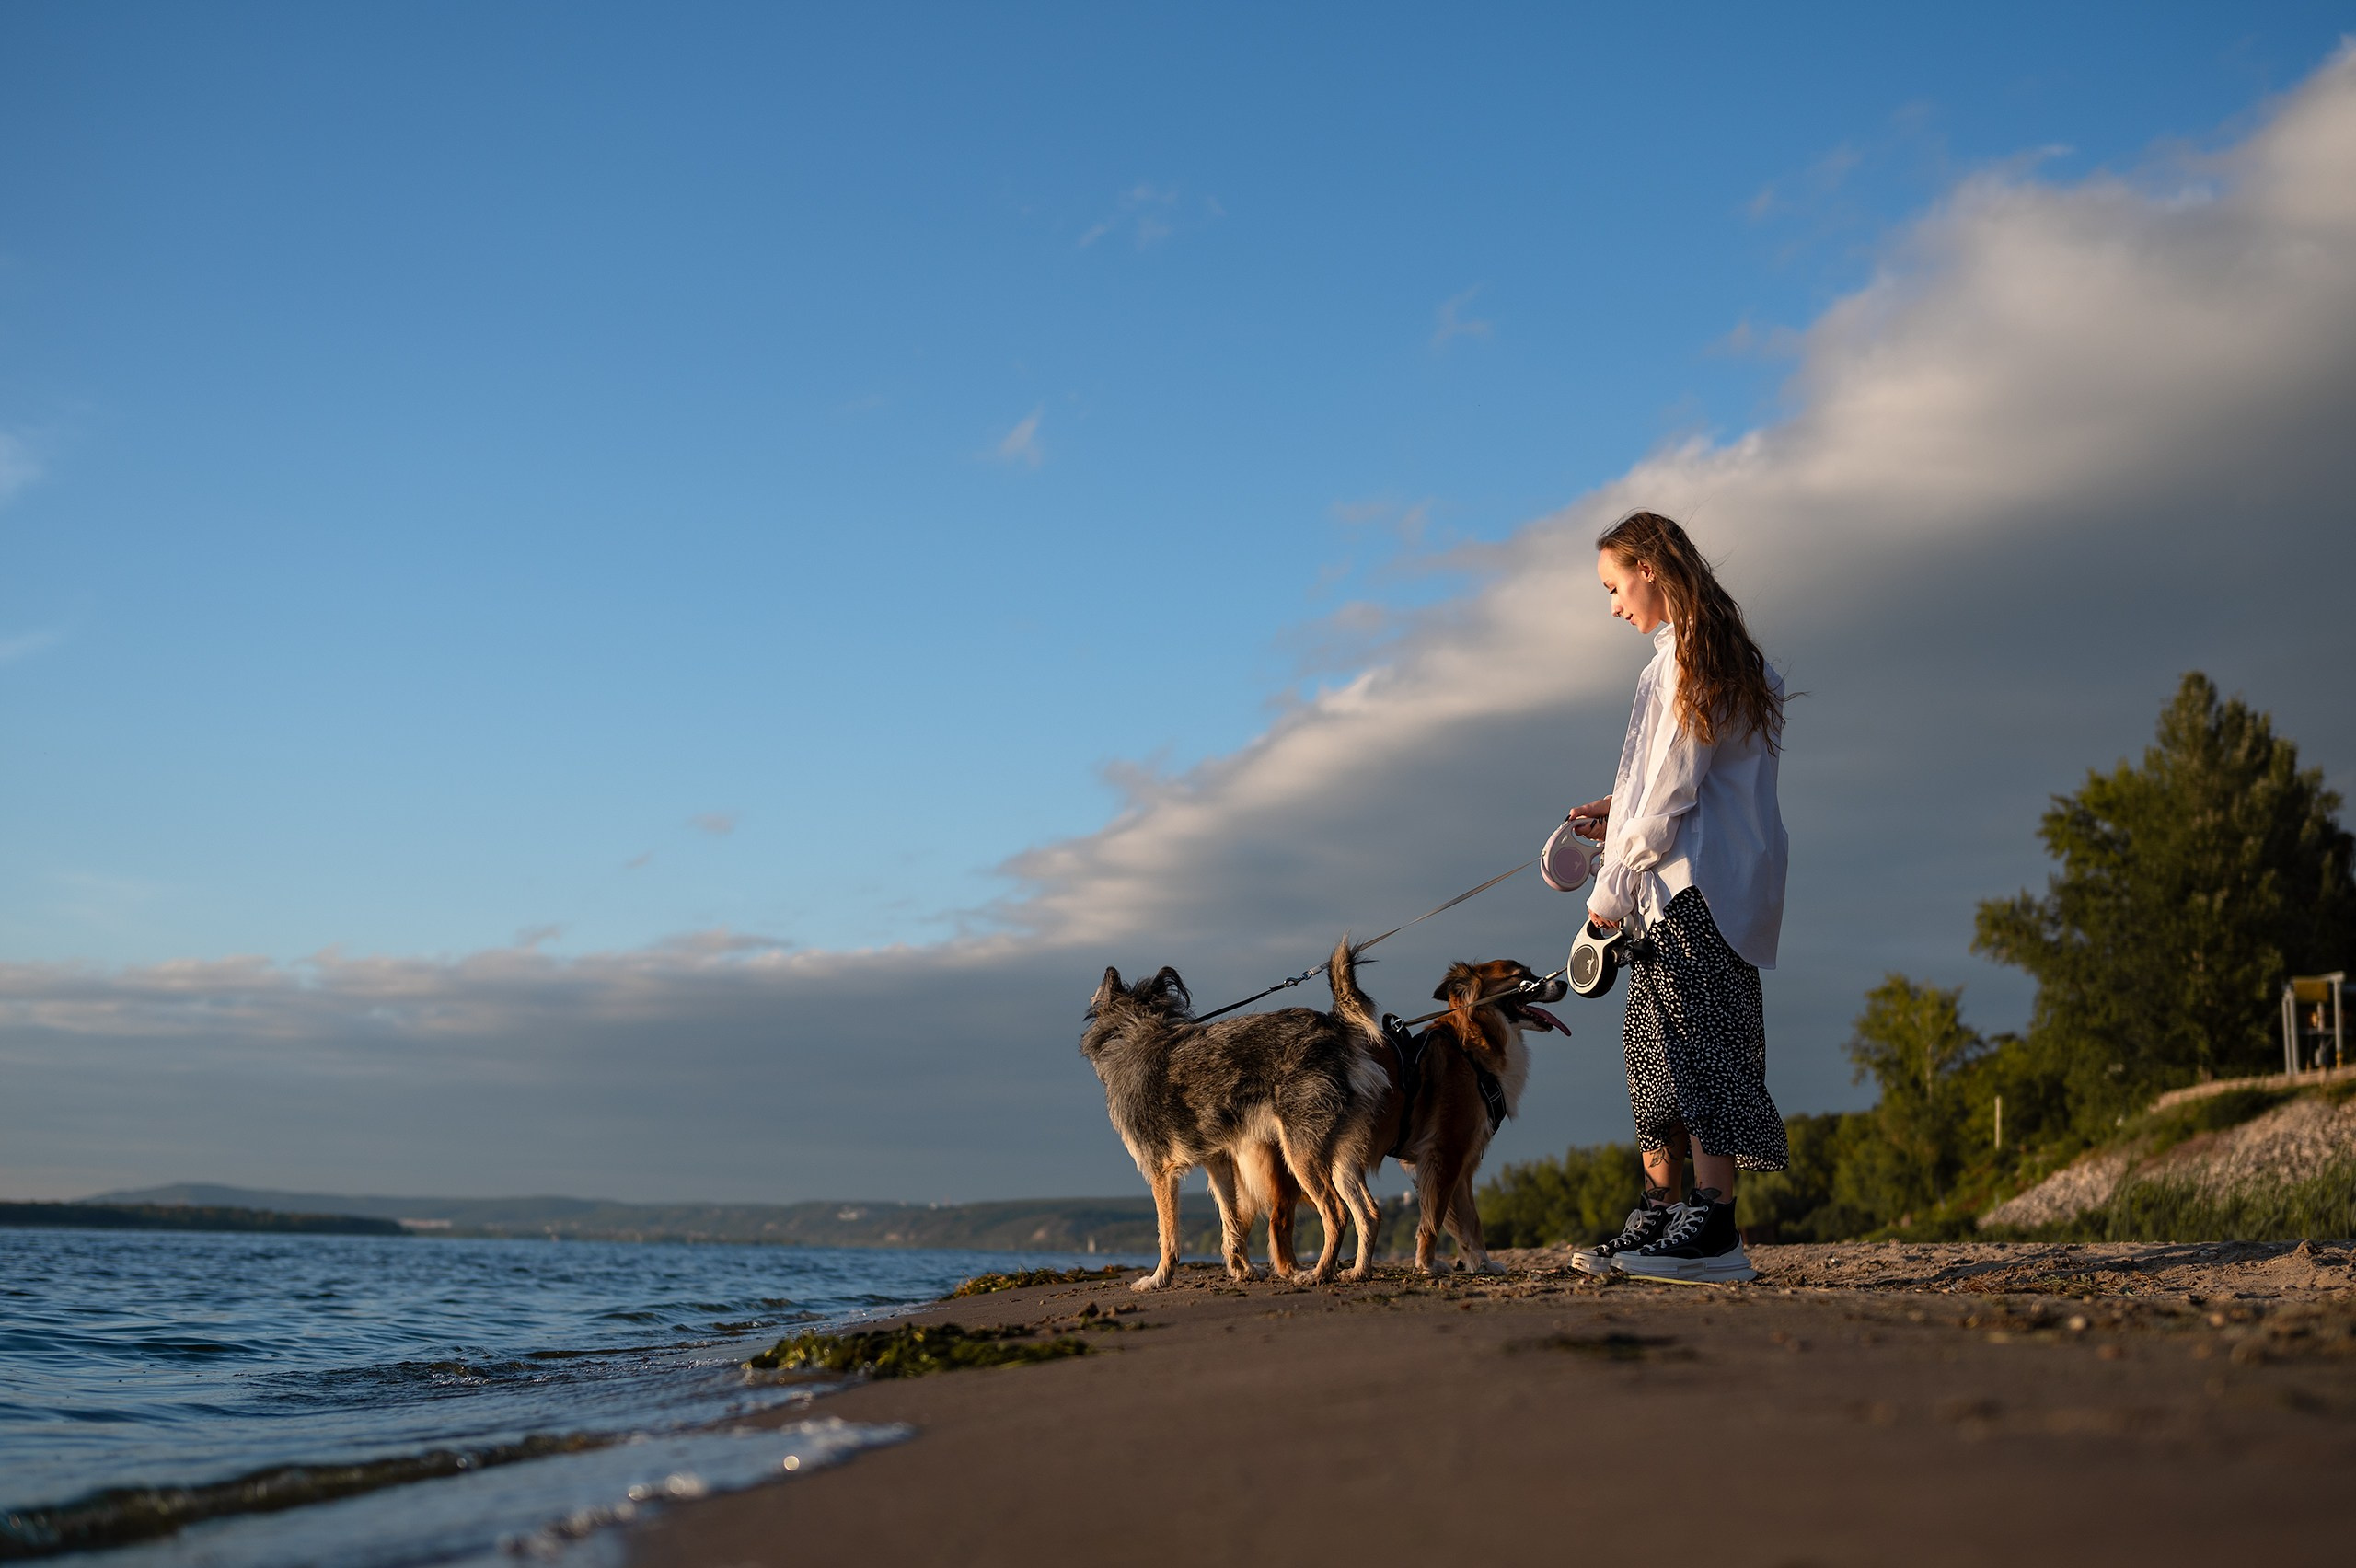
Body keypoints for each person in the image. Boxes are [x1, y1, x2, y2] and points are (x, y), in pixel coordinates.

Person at [1564, 511, 1789, 1283]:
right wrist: (1614, 810)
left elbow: (1669, 792)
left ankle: (1714, 1228)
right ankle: (1664, 1213)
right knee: (1655, 1048)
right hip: (1692, 882)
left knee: (1700, 1046)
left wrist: (1608, 898)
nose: (1614, 604)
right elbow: (1665, 784)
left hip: (1693, 885)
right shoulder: (1706, 657)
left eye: (1614, 584)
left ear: (1650, 567)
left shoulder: (1688, 659)